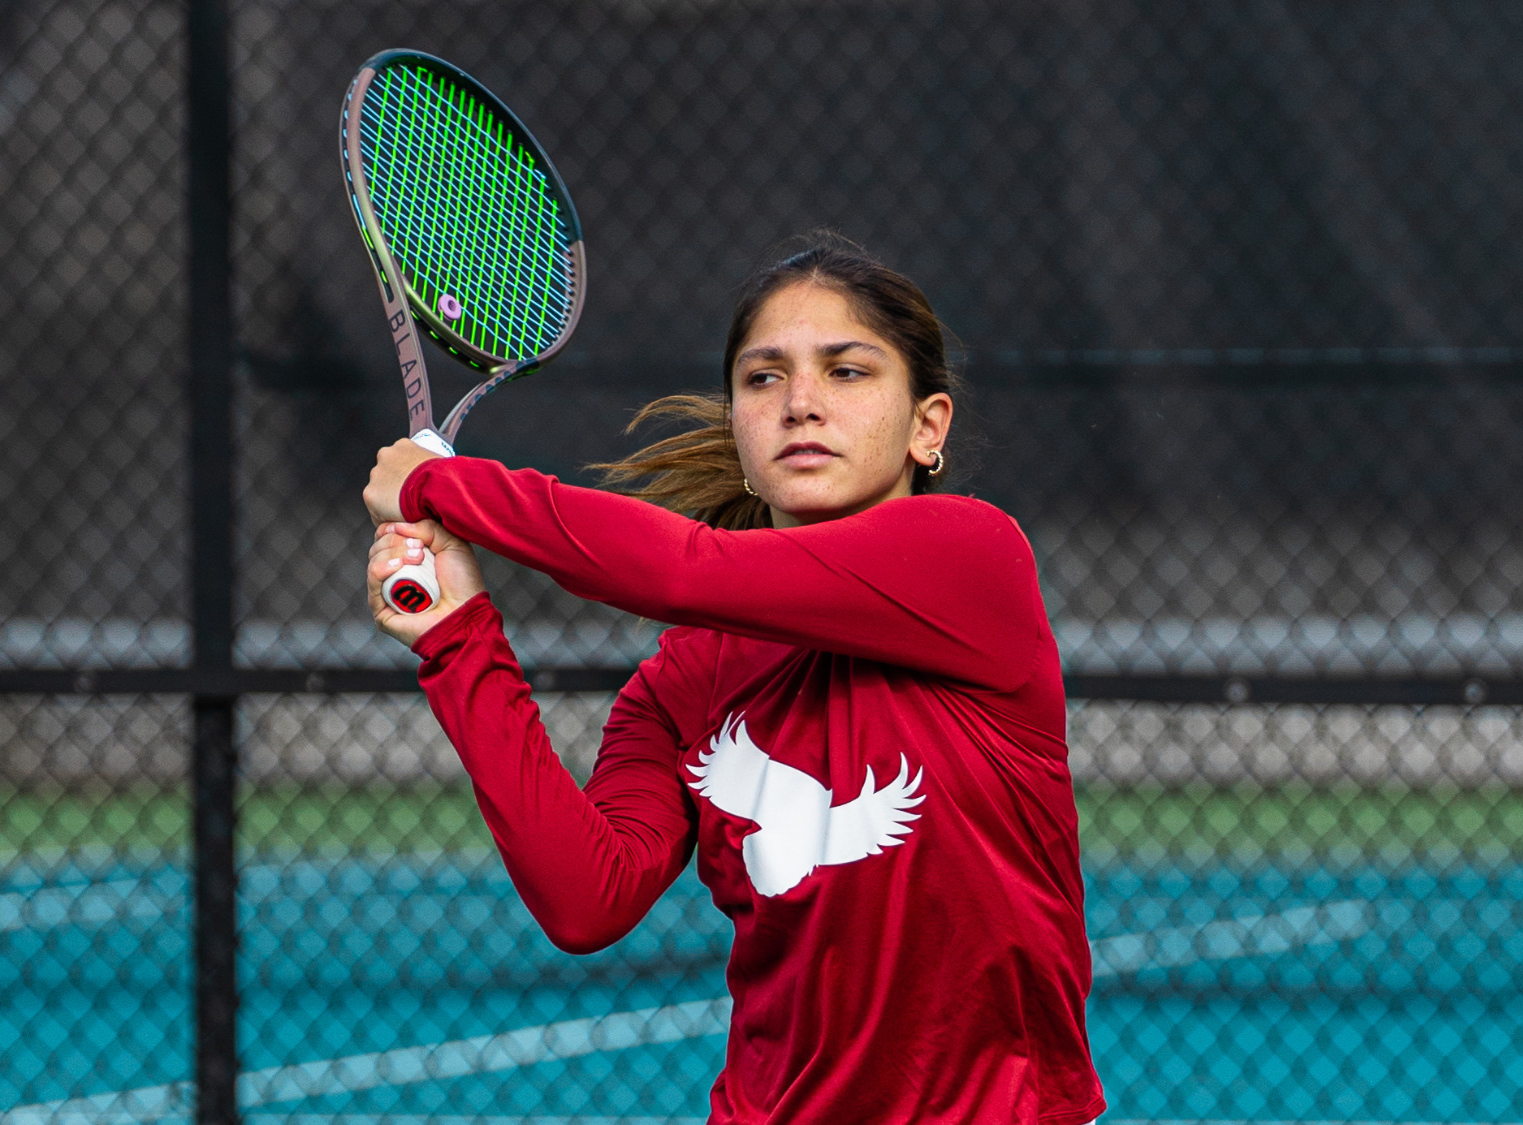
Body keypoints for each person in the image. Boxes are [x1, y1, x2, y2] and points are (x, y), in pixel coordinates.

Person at [361, 239, 1104, 1124]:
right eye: (763, 378)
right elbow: (586, 898)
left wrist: (446, 486)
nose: (800, 403)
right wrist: (457, 638)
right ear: (740, 430)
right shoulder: (680, 682)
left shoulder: (973, 560)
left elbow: (684, 570)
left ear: (926, 428)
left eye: (847, 371)